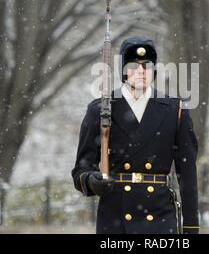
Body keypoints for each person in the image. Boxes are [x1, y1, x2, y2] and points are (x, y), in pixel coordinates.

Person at [71, 36, 200, 234]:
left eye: (147, 65)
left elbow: (188, 175)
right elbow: (81, 168)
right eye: (133, 65)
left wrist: (191, 228)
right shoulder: (100, 109)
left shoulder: (176, 110)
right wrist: (90, 181)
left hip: (160, 216)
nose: (141, 71)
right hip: (115, 217)